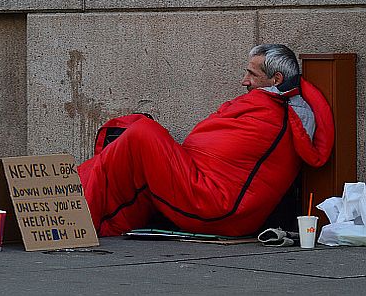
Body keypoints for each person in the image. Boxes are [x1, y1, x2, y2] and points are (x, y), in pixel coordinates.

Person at [78, 44, 334, 237]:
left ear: (276, 80)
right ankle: (71, 192)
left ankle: (78, 214)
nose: (244, 81)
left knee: (142, 132)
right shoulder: (269, 107)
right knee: (133, 131)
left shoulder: (275, 115)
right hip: (209, 193)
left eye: (252, 75)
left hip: (218, 207)